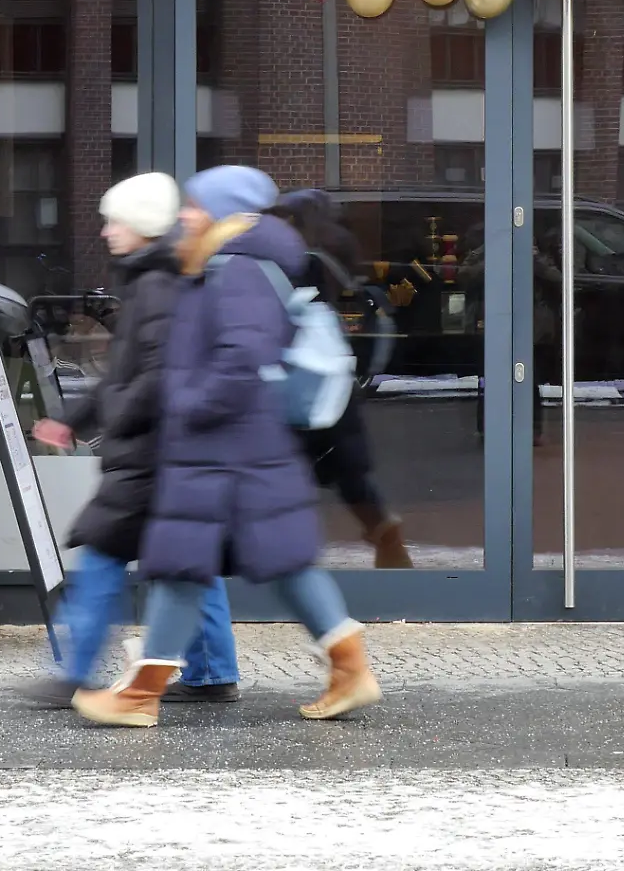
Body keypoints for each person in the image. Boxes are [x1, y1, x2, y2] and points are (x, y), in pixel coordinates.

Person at [72, 165, 380, 729]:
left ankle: (141, 694)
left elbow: (242, 357)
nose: (185, 214)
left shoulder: (239, 269)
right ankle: (348, 666)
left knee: (188, 565)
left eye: (195, 205)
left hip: (227, 446)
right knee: (247, 564)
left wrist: (187, 402)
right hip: (234, 447)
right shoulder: (223, 264)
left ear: (223, 213)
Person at [29, 173, 240, 707]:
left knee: (101, 554)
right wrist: (75, 418)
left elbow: (153, 376)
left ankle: (74, 674)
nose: (104, 232)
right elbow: (126, 373)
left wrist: (114, 420)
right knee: (187, 564)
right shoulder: (156, 281)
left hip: (150, 455)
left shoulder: (158, 287)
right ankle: (214, 673)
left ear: (141, 224)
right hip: (166, 453)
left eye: (113, 220)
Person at [266, 188, 412, 570]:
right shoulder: (334, 245)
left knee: (284, 467)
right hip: (329, 373)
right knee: (348, 471)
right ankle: (386, 537)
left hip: (304, 374)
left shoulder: (303, 256)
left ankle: (290, 559)